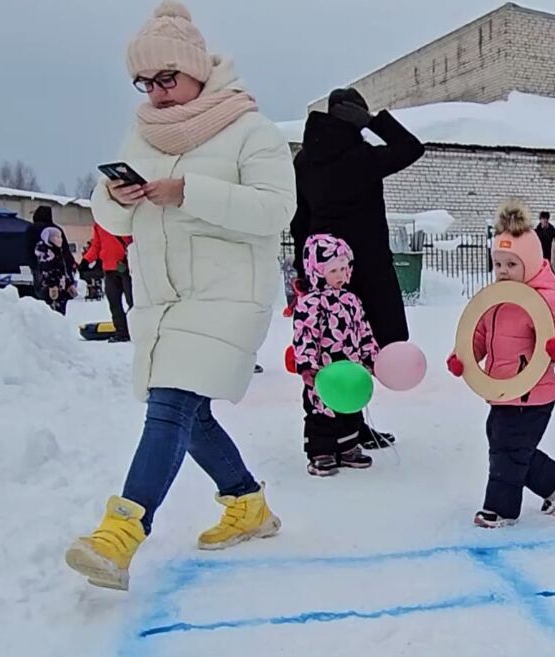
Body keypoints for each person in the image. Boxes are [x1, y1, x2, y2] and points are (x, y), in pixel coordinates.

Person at [66, 0, 296, 591]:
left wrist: (187, 191)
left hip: (227, 294)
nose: (158, 93)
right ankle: (246, 504)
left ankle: (120, 534)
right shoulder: (143, 131)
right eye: (146, 83)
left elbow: (277, 209)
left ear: (197, 67)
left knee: (169, 404)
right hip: (163, 296)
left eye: (167, 78)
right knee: (189, 414)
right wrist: (118, 197)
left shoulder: (250, 128)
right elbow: (112, 223)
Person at [290, 85, 424, 449]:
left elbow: (300, 219)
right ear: (354, 117)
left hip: (323, 269)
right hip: (364, 270)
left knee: (326, 351)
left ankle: (344, 427)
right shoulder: (361, 156)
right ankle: (336, 434)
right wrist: (373, 123)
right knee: (359, 350)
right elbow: (412, 148)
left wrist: (305, 271)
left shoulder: (303, 160)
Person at [446, 201, 555, 528]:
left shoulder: (543, 299)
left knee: (507, 448)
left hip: (533, 392)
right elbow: (480, 333)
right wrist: (465, 356)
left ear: (529, 265)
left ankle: (500, 509)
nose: (502, 271)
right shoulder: (496, 297)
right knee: (503, 439)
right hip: (503, 389)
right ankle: (552, 480)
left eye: (511, 264)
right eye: (498, 263)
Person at [293, 234, 378, 476]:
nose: (341, 275)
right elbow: (305, 334)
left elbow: (363, 330)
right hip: (323, 372)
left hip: (350, 369)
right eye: (333, 270)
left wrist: (370, 356)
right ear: (318, 271)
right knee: (322, 411)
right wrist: (307, 365)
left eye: (344, 268)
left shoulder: (352, 300)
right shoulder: (311, 302)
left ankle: (349, 447)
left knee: (350, 409)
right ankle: (321, 452)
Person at [82, 222, 134, 342]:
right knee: (114, 303)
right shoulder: (99, 224)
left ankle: (136, 329)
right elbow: (96, 245)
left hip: (127, 267)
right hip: (109, 269)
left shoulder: (124, 218)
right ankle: (122, 332)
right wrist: (86, 260)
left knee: (133, 302)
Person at [34, 226, 77, 315]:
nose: (60, 240)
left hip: (60, 288)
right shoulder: (46, 254)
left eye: (60, 237)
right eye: (56, 237)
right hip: (50, 290)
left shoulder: (58, 252)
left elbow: (62, 271)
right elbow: (46, 272)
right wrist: (52, 285)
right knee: (53, 313)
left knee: (61, 311)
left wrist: (68, 284)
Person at [24, 205, 68, 283]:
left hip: (38, 267)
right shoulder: (58, 229)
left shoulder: (32, 229)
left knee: (40, 290)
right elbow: (65, 250)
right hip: (58, 268)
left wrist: (31, 264)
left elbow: (27, 248)